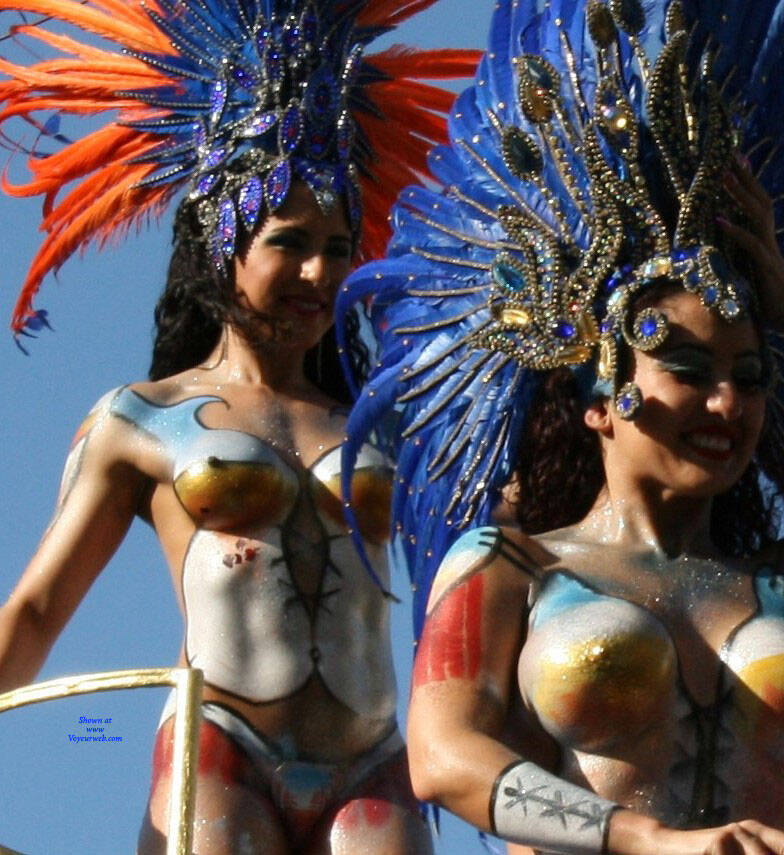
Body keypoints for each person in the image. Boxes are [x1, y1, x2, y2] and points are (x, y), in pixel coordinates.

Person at [335, 0, 784, 853]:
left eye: (748, 376)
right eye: (687, 369)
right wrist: (646, 838)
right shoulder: (510, 568)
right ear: (597, 398)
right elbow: (443, 758)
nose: (724, 404)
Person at [0, 1, 476, 851]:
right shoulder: (139, 419)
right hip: (222, 751)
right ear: (223, 240)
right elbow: (36, 608)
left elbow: (513, 539)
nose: (319, 273)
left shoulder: (388, 424)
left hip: (371, 759)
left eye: (338, 248)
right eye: (291, 242)